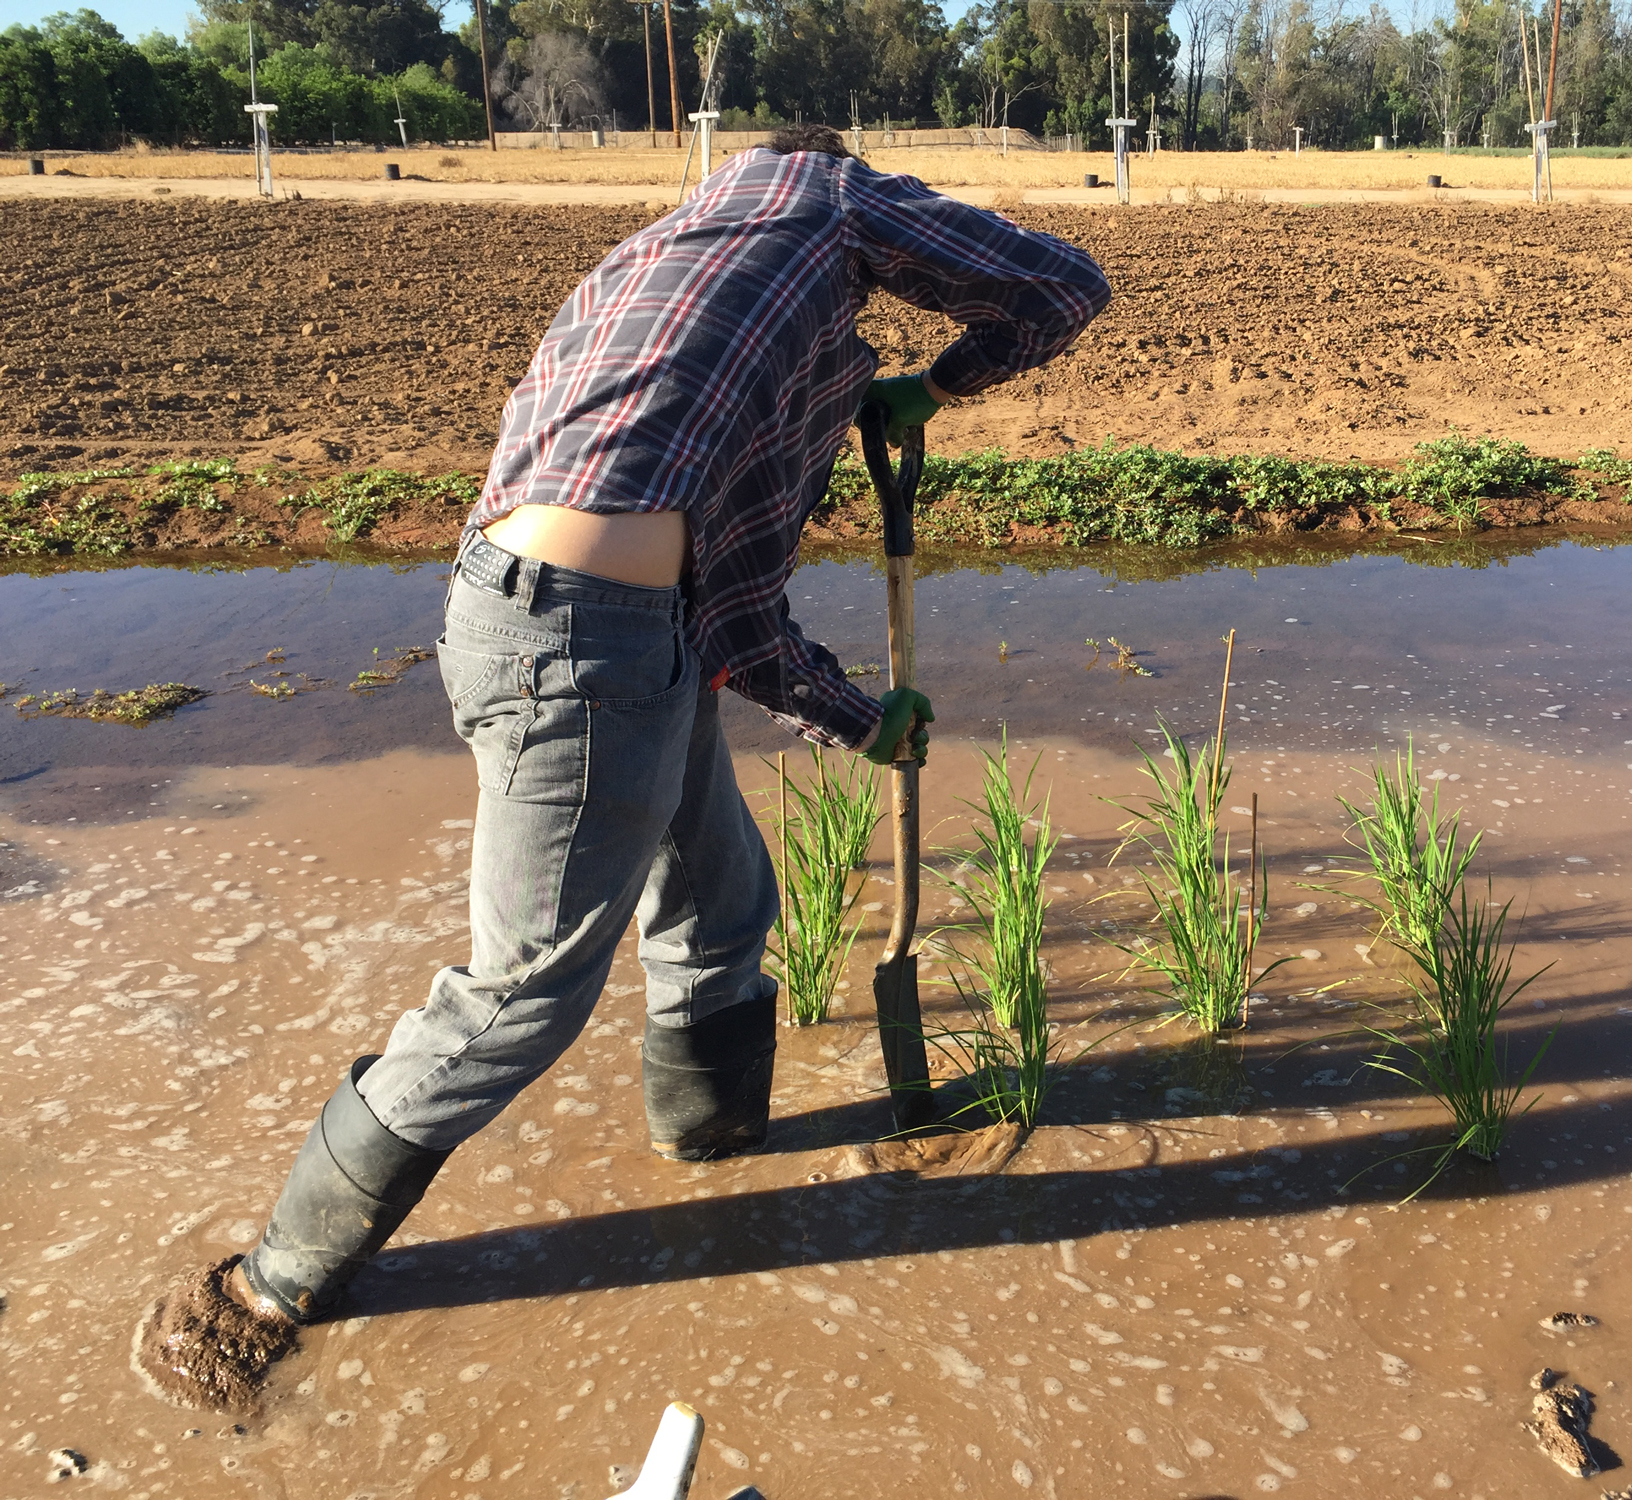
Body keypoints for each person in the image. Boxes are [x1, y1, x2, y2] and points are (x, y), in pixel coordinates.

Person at [141, 124, 1109, 1405]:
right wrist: (936, 385)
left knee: (716, 897)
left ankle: (711, 1150)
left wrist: (854, 713)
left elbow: (726, 618)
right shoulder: (828, 207)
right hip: (583, 645)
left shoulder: (653, 269)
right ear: (849, 174)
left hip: (552, 613)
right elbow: (1059, 289)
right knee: (520, 994)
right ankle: (262, 1292)